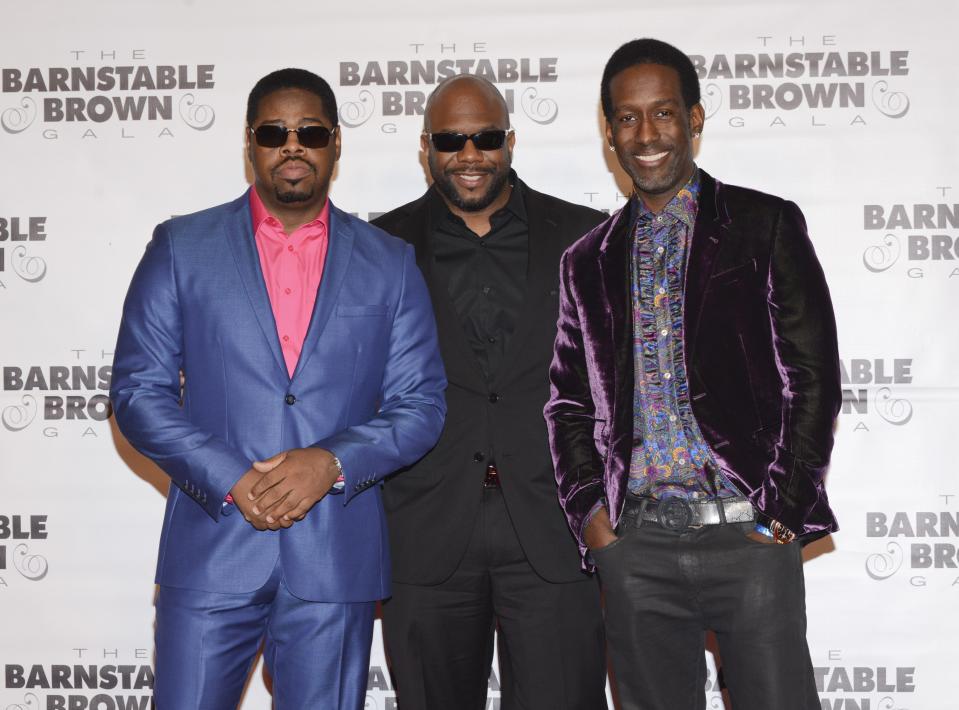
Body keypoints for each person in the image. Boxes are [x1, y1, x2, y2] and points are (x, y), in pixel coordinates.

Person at [110, 68, 446, 709]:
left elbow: (422, 404)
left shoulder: (388, 261)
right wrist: (233, 476)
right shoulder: (182, 247)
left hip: (334, 558)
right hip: (213, 547)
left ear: (336, 143)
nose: (293, 145)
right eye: (274, 131)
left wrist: (332, 461)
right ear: (250, 143)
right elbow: (137, 391)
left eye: (310, 132)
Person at [544, 39, 841, 710]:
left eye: (663, 113)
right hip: (637, 548)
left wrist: (782, 520)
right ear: (608, 132)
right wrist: (596, 524)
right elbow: (567, 405)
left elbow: (813, 377)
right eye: (626, 117)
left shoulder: (762, 224)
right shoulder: (585, 259)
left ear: (694, 120)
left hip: (750, 538)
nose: (645, 134)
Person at [373, 75, 608, 710]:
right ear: (426, 147)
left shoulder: (586, 237)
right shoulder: (377, 247)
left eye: (485, 137)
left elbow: (627, 381)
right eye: (452, 139)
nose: (469, 154)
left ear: (510, 141)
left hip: (557, 526)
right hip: (426, 526)